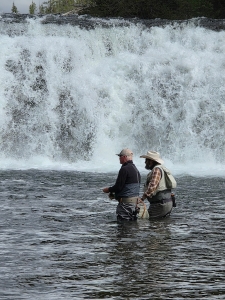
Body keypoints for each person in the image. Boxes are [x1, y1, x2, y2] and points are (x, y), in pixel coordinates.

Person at [103, 148, 141, 221]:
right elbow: (129, 189)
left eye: (120, 156)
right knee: (132, 226)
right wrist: (115, 195)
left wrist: (108, 190)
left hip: (126, 205)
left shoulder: (124, 169)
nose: (119, 158)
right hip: (134, 204)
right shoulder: (136, 169)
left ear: (124, 157)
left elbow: (118, 187)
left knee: (123, 227)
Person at [139, 151, 175, 218]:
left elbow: (152, 186)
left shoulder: (156, 170)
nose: (145, 162)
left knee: (148, 222)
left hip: (160, 204)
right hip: (167, 203)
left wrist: (142, 198)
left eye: (146, 160)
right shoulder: (162, 168)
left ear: (151, 161)